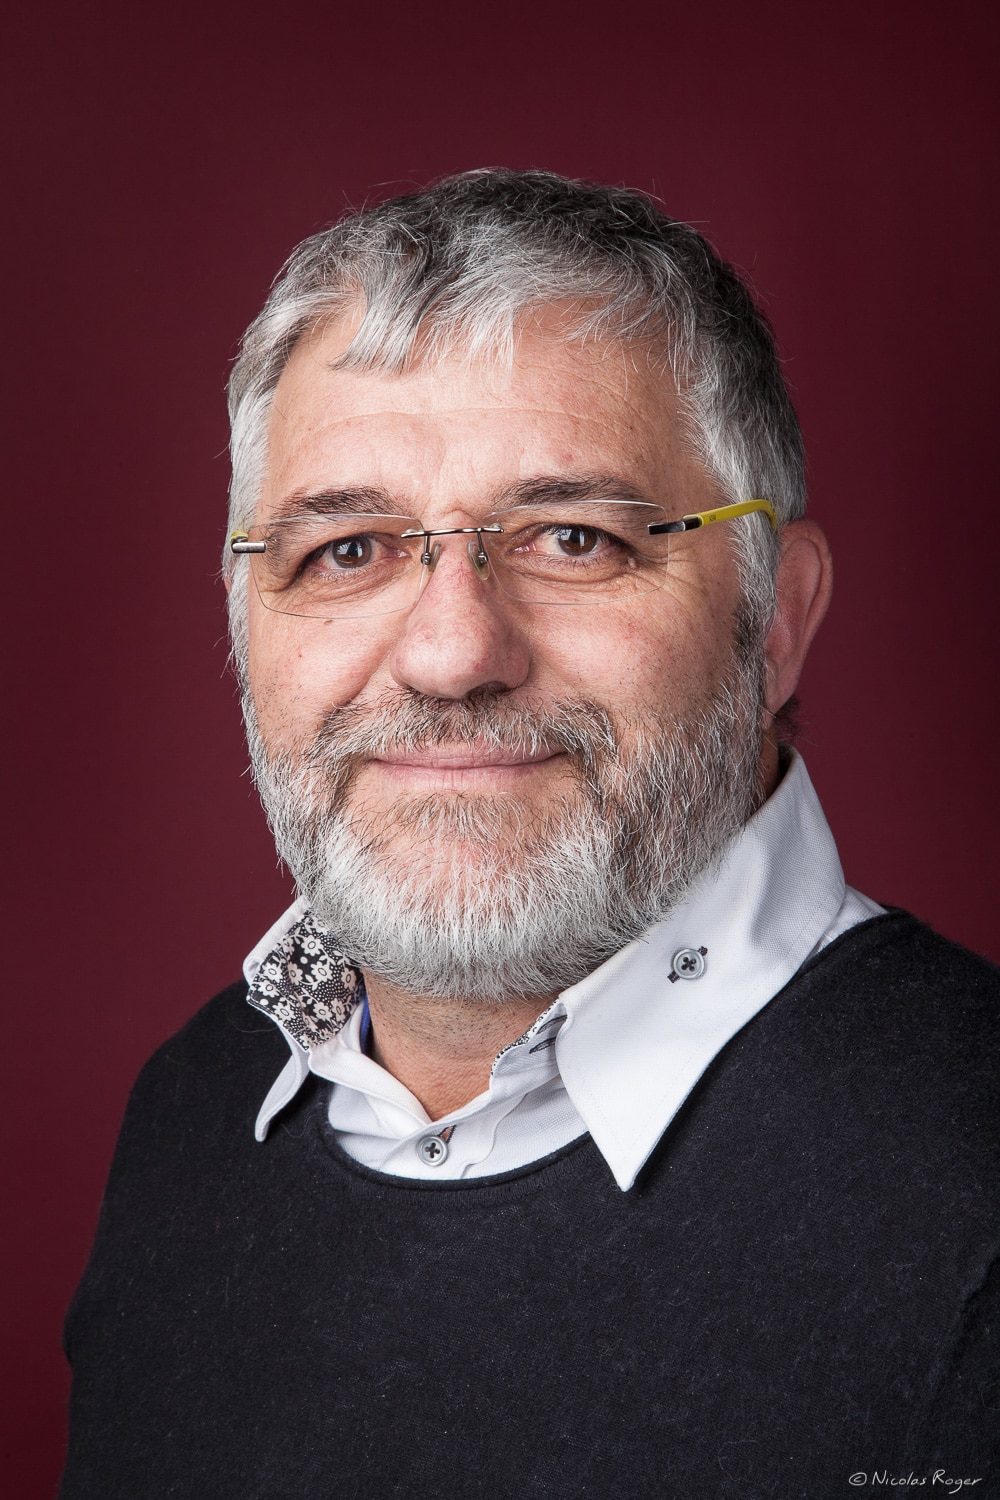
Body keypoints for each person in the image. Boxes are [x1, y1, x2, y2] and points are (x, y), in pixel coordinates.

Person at [60, 170, 998, 1499]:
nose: (452, 653)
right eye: (347, 550)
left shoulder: (973, 1179)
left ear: (776, 618)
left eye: (576, 537)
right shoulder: (193, 1114)